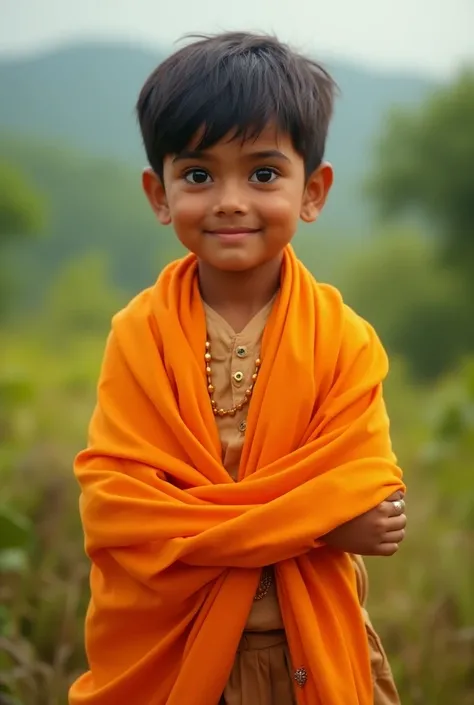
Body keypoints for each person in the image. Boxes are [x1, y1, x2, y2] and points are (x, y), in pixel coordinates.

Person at [70, 32, 407, 705]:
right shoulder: (139, 336)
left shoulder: (344, 339)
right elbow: (117, 511)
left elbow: (371, 493)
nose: (228, 199)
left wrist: (250, 520)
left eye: (262, 173)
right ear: (158, 194)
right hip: (179, 647)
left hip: (306, 645)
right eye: (198, 174)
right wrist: (315, 522)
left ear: (313, 190)